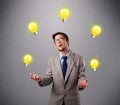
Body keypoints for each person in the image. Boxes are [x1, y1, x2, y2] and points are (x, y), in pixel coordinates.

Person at [30, 32, 88, 105]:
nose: (59, 41)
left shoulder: (79, 58)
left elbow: (82, 75)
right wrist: (40, 80)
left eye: (61, 39)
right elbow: (49, 78)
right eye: (56, 41)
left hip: (73, 101)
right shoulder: (51, 59)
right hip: (55, 101)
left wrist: (81, 82)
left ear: (67, 41)